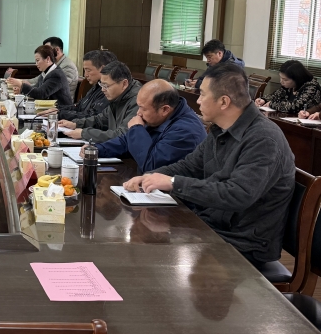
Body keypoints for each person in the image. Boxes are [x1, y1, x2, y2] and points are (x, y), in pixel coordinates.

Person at [123, 63, 294, 268]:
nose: (198, 100)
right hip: (211, 224)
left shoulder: (264, 139)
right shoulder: (221, 129)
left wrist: (173, 183)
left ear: (224, 102)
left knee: (151, 254)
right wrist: (150, 177)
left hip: (242, 242)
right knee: (141, 240)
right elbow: (189, 166)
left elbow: (238, 194)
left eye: (203, 94)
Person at [89, 79, 206, 172]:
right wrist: (97, 149)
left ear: (165, 109)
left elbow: (152, 165)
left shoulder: (185, 131)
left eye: (143, 108)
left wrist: (136, 129)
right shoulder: (158, 118)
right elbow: (126, 142)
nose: (138, 113)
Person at [59, 60, 141, 143]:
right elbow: (100, 120)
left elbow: (123, 135)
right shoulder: (118, 96)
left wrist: (84, 133)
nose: (102, 90)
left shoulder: (138, 102)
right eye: (101, 85)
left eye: (106, 86)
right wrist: (75, 124)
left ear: (124, 84)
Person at [54, 50, 117, 121]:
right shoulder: (96, 87)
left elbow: (92, 116)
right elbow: (79, 107)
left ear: (103, 69)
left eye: (88, 70)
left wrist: (60, 114)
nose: (85, 75)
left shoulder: (108, 91)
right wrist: (57, 110)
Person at [6, 45, 71, 106]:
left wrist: (21, 85)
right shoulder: (46, 72)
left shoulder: (56, 74)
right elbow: (36, 88)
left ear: (48, 59)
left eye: (38, 60)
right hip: (50, 109)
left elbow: (40, 94)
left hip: (62, 111)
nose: (36, 64)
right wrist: (21, 90)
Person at [255, 60, 321, 114]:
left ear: (297, 79)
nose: (281, 81)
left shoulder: (312, 87)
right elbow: (276, 95)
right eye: (280, 78)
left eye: (285, 79)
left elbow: (296, 106)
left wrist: (272, 104)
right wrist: (264, 100)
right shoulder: (289, 86)